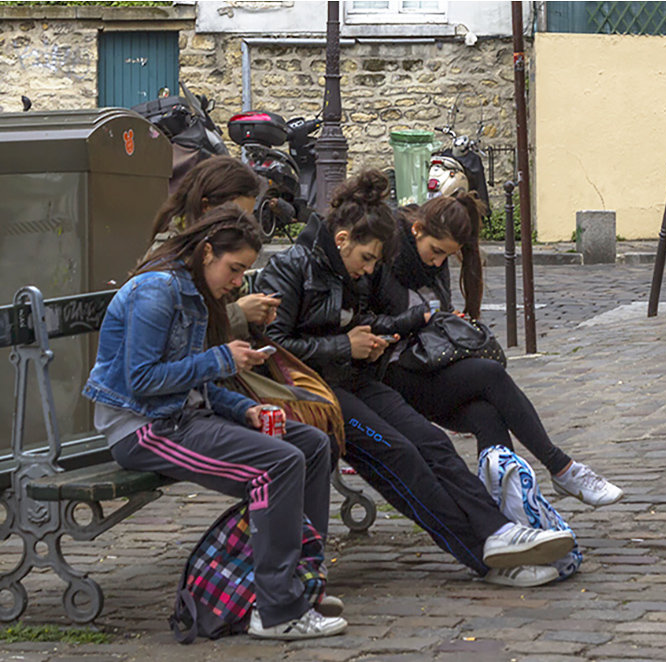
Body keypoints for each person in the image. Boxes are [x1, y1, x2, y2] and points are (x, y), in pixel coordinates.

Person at [256, 169, 574, 588]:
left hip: (357, 378)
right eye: (367, 259)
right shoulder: (292, 267)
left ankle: (499, 532)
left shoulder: (351, 274)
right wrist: (343, 346)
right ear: (342, 240)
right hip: (312, 392)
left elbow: (363, 318)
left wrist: (391, 328)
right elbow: (271, 348)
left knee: (433, 443)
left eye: (375, 261)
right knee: (401, 455)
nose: (370, 270)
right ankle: (485, 559)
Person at [83, 205, 346, 640]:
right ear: (207, 252)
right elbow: (143, 380)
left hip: (180, 415)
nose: (238, 281)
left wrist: (244, 409)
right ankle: (276, 608)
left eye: (244, 272)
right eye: (235, 268)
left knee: (312, 444)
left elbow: (195, 387)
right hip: (144, 429)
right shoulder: (157, 291)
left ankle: (303, 585)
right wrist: (222, 357)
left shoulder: (197, 292)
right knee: (278, 464)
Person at [380, 193, 623, 507]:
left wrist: (446, 321)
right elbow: (379, 322)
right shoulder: (387, 259)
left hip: (430, 366)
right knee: (490, 374)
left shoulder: (432, 265)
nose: (439, 262)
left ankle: (505, 507)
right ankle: (561, 468)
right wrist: (423, 319)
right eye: (436, 251)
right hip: (395, 372)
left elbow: (434, 316)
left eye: (447, 256)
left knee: (487, 414)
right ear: (417, 231)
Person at [150, 155, 280, 332]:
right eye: (233, 217)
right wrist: (239, 313)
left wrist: (258, 315)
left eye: (245, 219)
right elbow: (173, 332)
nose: (241, 228)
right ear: (205, 207)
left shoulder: (223, 248)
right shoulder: (169, 257)